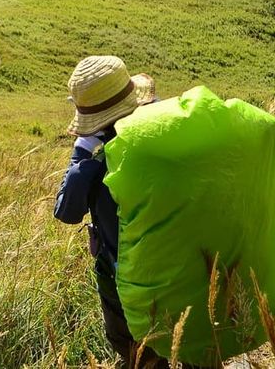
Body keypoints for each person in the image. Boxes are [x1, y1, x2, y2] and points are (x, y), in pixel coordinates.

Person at [52, 55, 166, 367]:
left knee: (133, 348)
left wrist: (81, 153)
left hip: (129, 282)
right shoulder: (166, 135)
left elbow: (66, 211)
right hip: (185, 260)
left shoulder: (98, 171)